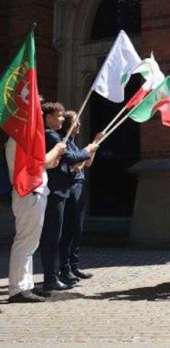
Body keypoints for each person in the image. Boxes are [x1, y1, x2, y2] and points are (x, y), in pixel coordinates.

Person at [5, 103, 66, 303]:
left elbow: (41, 164)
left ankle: (26, 285)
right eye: (36, 110)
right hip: (29, 192)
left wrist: (50, 160)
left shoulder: (22, 136)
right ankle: (17, 289)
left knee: (30, 242)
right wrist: (57, 149)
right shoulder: (23, 137)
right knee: (25, 242)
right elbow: (39, 163)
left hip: (33, 191)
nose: (39, 113)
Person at [39, 103, 99, 292]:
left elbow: (73, 160)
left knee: (61, 233)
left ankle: (55, 275)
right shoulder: (52, 136)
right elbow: (72, 159)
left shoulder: (57, 137)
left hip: (60, 190)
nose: (62, 119)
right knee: (52, 236)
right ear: (48, 117)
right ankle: (51, 277)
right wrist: (89, 148)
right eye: (59, 116)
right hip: (55, 190)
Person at [57, 111, 103, 285]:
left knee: (77, 229)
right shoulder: (64, 143)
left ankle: (74, 266)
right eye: (76, 122)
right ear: (69, 124)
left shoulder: (74, 144)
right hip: (71, 187)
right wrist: (89, 149)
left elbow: (86, 163)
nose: (79, 125)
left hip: (79, 186)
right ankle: (65, 268)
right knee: (69, 229)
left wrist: (95, 144)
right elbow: (76, 165)